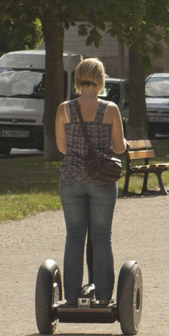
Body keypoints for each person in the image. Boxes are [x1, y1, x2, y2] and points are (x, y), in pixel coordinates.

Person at [54, 57, 127, 302]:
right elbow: (118, 148)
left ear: (77, 79)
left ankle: (72, 298)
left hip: (71, 179)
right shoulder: (110, 109)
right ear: (100, 79)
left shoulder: (64, 109)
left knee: (74, 237)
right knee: (101, 237)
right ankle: (105, 296)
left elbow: (62, 148)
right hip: (102, 181)